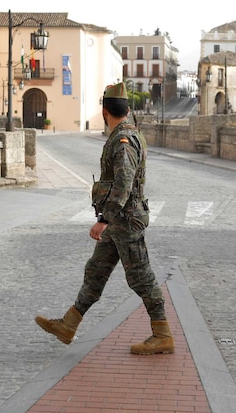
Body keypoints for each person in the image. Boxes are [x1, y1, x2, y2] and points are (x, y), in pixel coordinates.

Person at [35, 82, 174, 355]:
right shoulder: (126, 134)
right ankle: (68, 324)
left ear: (104, 111)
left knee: (140, 277)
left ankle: (163, 334)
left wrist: (104, 219)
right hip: (119, 221)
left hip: (125, 220)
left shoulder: (123, 141)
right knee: (96, 271)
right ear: (128, 109)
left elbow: (123, 183)